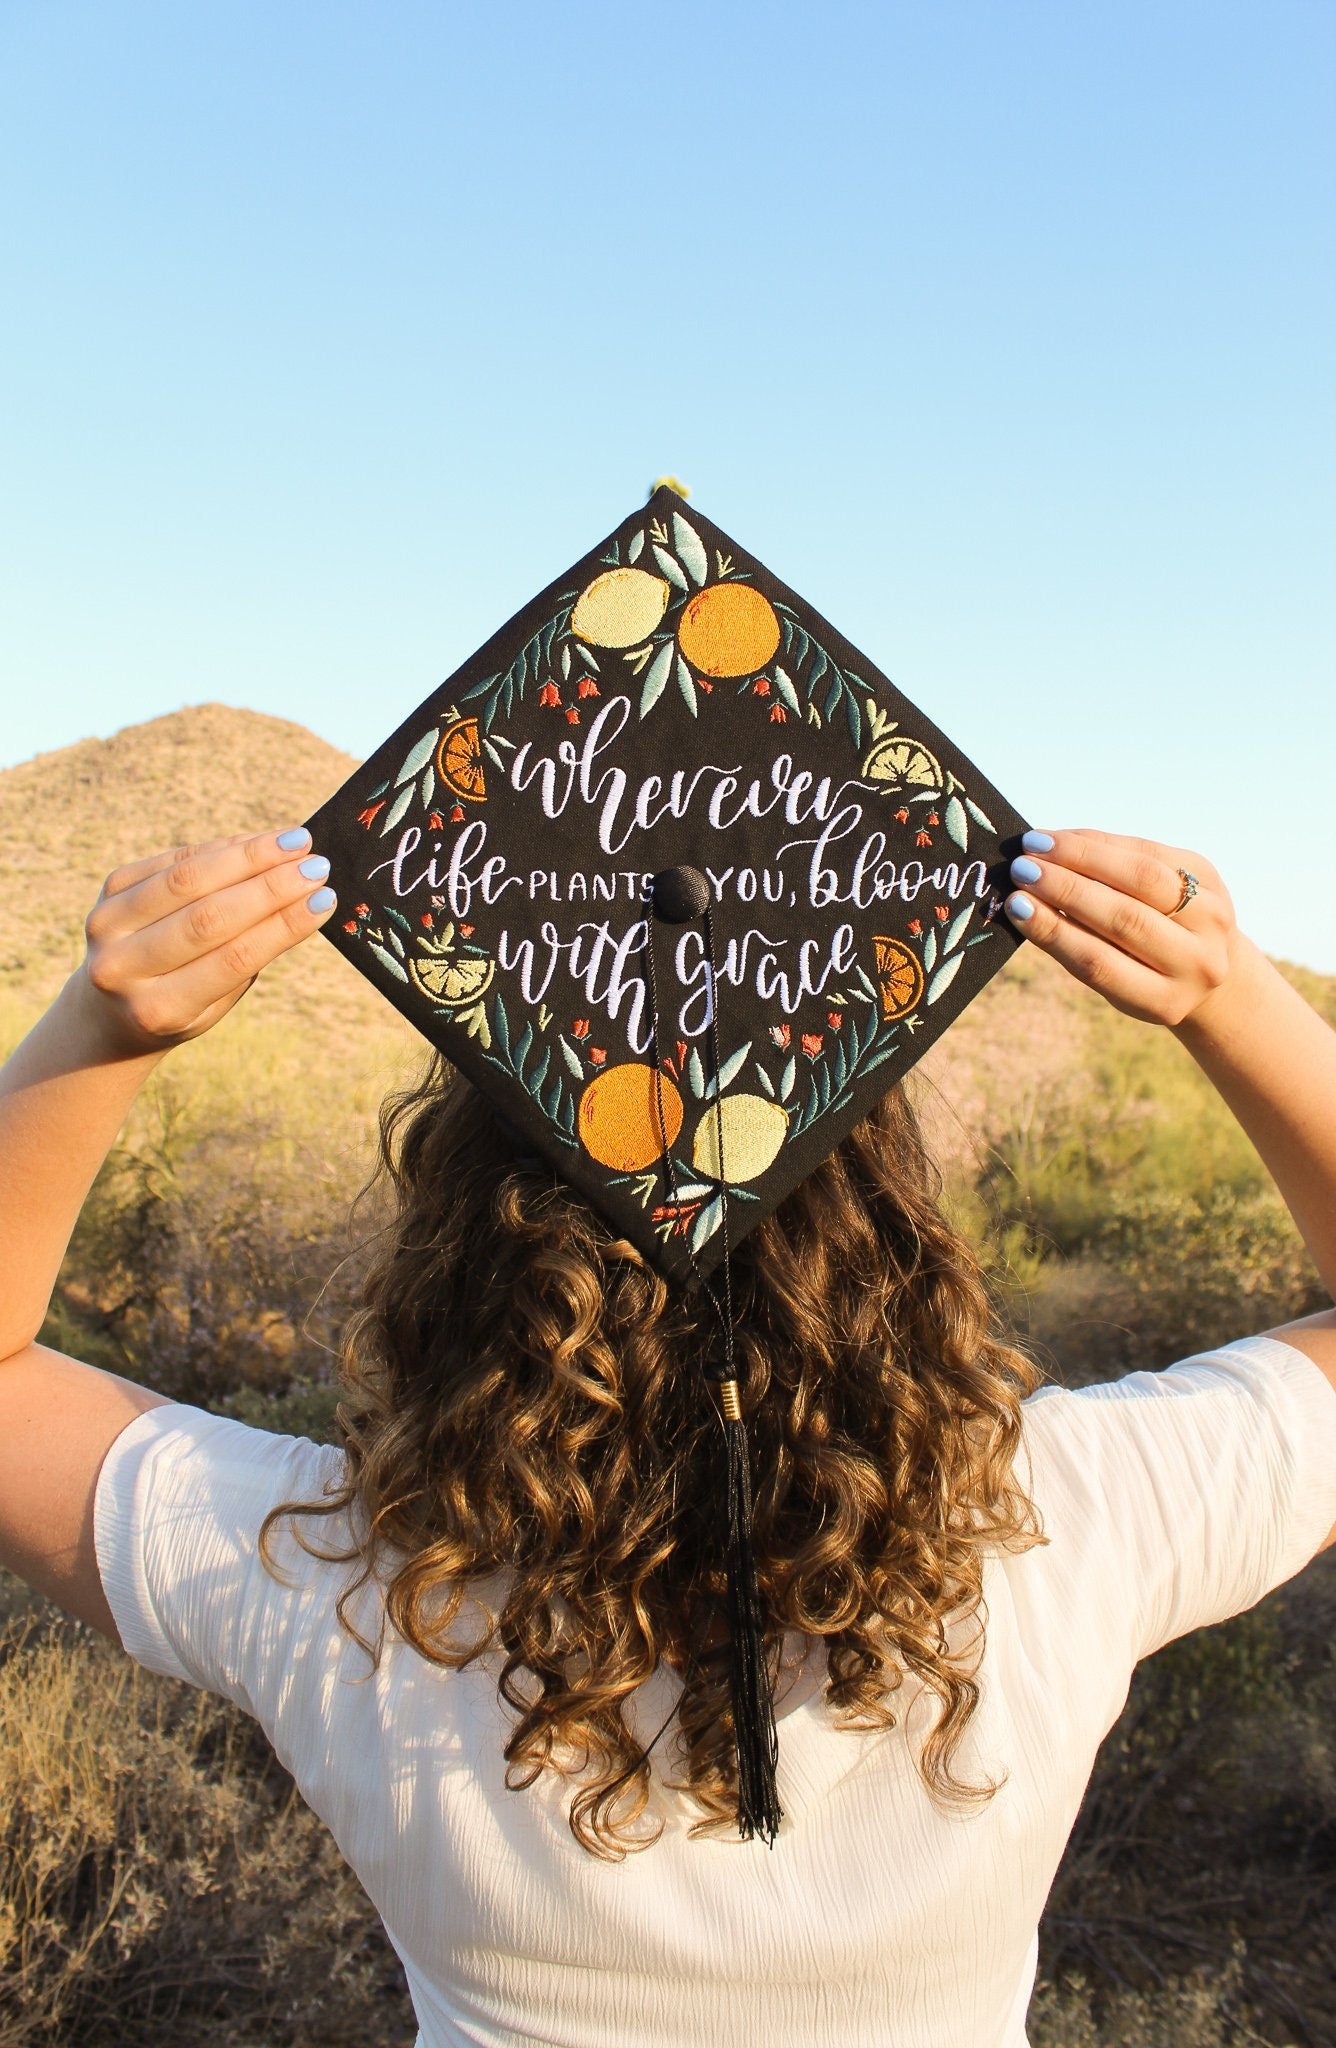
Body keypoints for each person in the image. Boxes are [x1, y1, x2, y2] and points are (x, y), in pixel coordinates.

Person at [0, 821, 1333, 2048]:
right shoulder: (1064, 1525)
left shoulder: (345, 1591)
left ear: (458, 1252)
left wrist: (96, 1036)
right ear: (891, 1228)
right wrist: (1235, 999)